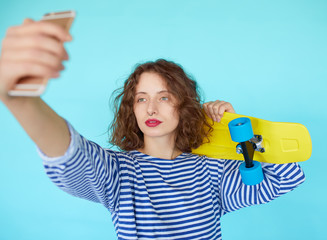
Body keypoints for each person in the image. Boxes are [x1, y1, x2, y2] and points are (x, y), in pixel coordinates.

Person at [0, 19, 305, 240]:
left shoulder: (211, 169)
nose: (150, 108)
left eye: (164, 98)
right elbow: (71, 155)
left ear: (183, 106)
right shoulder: (120, 172)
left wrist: (234, 133)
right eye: (141, 99)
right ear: (131, 109)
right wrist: (19, 100)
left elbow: (286, 176)